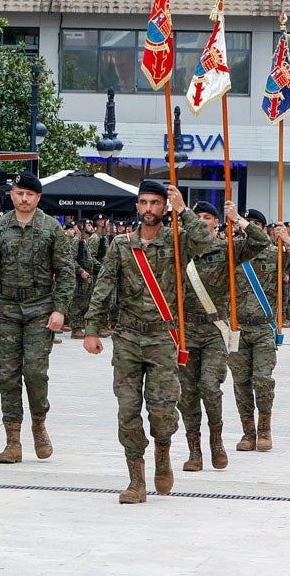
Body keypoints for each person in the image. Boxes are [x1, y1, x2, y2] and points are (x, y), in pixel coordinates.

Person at [84, 181, 220, 504]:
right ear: (137, 206)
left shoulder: (177, 242)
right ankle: (136, 479)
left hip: (162, 336)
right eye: (143, 202)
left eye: (155, 203)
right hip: (128, 337)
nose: (148, 209)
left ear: (164, 207)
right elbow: (104, 286)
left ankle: (163, 450)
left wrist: (184, 210)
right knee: (127, 410)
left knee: (162, 412)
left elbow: (206, 243)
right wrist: (91, 328)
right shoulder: (121, 246)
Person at [0, 172, 75, 464]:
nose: (24, 198)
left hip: (40, 307)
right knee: (8, 374)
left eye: (29, 194)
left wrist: (60, 308)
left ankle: (39, 423)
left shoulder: (51, 228)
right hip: (6, 308)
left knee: (36, 372)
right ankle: (12, 440)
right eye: (19, 193)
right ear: (12, 195)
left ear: (38, 197)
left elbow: (65, 272)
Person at [178, 200, 266, 472]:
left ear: (216, 222)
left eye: (208, 217)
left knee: (209, 387)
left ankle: (216, 441)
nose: (203, 221)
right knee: (188, 395)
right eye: (198, 217)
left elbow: (261, 241)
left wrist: (238, 218)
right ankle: (195, 450)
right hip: (185, 330)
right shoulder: (179, 248)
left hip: (214, 331)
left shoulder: (227, 249)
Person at [229, 209, 290, 453]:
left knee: (263, 380)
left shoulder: (276, 253)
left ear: (263, 228)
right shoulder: (232, 251)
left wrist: (287, 239)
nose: (249, 228)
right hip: (236, 328)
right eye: (246, 224)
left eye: (255, 224)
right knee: (241, 383)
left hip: (263, 328)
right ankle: (248, 433)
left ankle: (265, 430)